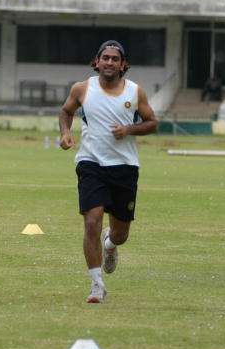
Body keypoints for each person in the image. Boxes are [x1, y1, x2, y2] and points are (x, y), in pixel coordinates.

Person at [58, 40, 158, 303]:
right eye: (106, 58)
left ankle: (110, 244)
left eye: (115, 59)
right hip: (90, 163)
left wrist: (129, 130)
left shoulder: (135, 92)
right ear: (97, 61)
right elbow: (66, 112)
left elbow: (152, 123)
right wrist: (66, 133)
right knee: (92, 220)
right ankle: (96, 284)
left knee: (121, 233)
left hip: (125, 166)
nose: (110, 62)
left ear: (123, 64)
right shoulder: (82, 89)